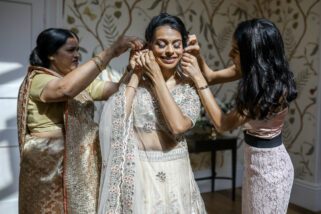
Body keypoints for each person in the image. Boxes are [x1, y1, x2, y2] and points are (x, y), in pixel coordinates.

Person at [17, 28, 143, 214]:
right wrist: (111, 52)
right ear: (51, 54)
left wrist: (133, 69)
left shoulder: (79, 81)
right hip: (48, 163)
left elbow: (117, 91)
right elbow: (64, 90)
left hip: (80, 162)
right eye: (70, 50)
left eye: (78, 50)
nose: (77, 55)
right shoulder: (38, 78)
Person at [181, 18, 297, 213]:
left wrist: (197, 78)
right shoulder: (254, 72)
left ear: (253, 54)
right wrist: (198, 55)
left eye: (235, 51)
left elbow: (222, 124)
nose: (229, 54)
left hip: (271, 172)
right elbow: (211, 76)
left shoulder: (265, 89)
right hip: (254, 164)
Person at [98, 13, 207, 213]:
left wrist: (155, 75)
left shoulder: (189, 86)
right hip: (139, 173)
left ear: (183, 47)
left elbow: (178, 126)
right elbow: (115, 118)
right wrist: (136, 75)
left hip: (176, 174)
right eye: (161, 44)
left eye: (176, 44)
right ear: (149, 46)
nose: (170, 51)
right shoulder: (135, 80)